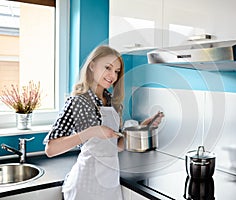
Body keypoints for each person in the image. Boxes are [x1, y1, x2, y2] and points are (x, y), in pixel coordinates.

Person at [43, 45, 164, 200]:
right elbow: (51, 149)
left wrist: (142, 128)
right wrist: (92, 131)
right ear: (92, 66)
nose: (112, 75)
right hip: (85, 186)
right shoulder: (78, 102)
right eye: (108, 67)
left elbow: (116, 146)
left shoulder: (112, 102)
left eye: (116, 71)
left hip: (110, 184)